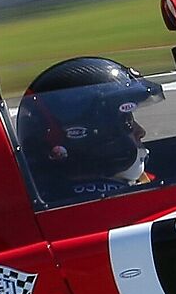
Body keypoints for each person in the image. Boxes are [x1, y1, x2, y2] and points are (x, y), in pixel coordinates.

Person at [14, 55, 165, 203]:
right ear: (94, 138)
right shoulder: (119, 208)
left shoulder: (49, 197)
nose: (141, 132)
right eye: (127, 123)